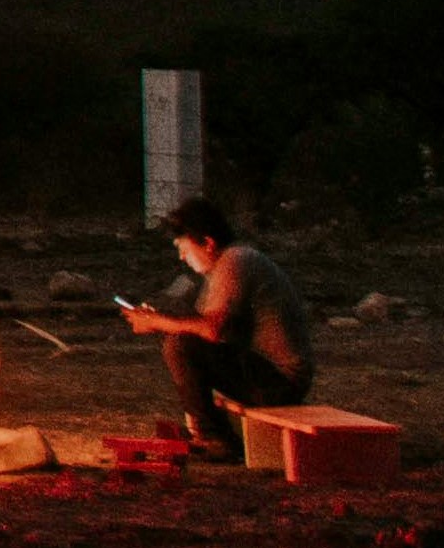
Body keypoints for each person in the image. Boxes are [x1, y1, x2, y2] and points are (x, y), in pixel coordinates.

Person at [120, 194, 315, 453]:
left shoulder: (235, 261)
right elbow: (199, 326)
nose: (182, 257)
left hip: (280, 381)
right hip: (264, 374)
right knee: (179, 339)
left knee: (181, 344)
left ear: (208, 243)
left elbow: (211, 330)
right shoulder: (226, 267)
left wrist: (159, 321)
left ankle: (214, 438)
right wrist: (158, 321)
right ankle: (204, 431)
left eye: (184, 248)